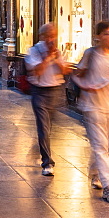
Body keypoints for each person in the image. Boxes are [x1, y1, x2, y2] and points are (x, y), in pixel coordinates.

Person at [73, 20, 109, 204]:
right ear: (98, 36)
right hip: (93, 107)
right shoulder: (90, 54)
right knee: (100, 147)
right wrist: (86, 86)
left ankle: (95, 172)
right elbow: (76, 75)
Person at [24, 23, 72, 176]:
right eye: (49, 36)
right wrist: (48, 57)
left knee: (50, 128)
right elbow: (36, 71)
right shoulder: (34, 51)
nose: (52, 40)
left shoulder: (57, 52)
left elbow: (66, 71)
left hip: (55, 91)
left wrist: (57, 60)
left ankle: (40, 146)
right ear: (42, 37)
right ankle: (47, 163)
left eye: (54, 36)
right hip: (40, 92)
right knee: (44, 128)